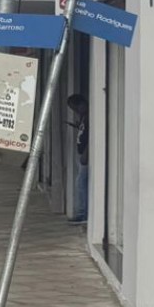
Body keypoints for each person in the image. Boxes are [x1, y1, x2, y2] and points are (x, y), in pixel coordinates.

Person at [67, 94, 89, 224]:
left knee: (80, 183)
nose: (75, 111)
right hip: (81, 153)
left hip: (85, 155)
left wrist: (86, 154)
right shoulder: (83, 117)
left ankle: (83, 213)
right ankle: (83, 211)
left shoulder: (90, 117)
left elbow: (90, 136)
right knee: (82, 182)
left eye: (76, 108)